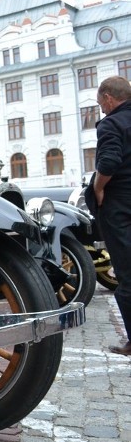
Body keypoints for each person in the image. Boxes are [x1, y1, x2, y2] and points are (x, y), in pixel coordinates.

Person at [88, 76, 131, 355]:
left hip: (120, 206)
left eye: (100, 101)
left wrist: (98, 187)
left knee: (127, 274)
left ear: (108, 98)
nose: (100, 107)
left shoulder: (111, 124)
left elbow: (110, 161)